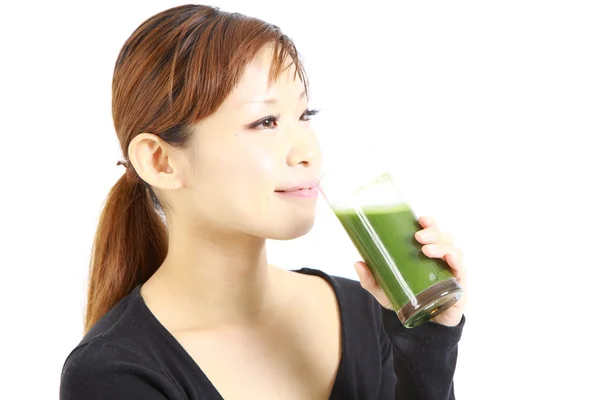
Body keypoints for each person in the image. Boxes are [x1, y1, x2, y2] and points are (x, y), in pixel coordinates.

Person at [59, 4, 467, 400]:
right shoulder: (113, 373)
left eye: (306, 115)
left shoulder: (364, 313)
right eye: (265, 122)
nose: (306, 151)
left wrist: (430, 344)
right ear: (160, 161)